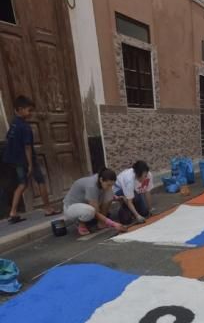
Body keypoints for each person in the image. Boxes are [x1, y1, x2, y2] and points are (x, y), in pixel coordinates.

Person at [2, 95, 59, 223]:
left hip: (14, 160)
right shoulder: (25, 127)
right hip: (26, 159)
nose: (31, 113)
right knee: (40, 180)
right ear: (20, 109)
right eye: (29, 110)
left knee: (22, 184)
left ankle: (13, 212)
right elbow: (27, 147)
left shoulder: (13, 124)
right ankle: (48, 208)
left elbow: (8, 141)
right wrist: (30, 164)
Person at [63, 168, 125, 236]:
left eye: (112, 185)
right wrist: (113, 224)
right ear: (101, 180)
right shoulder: (91, 186)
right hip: (71, 207)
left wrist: (115, 197)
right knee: (90, 211)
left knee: (109, 195)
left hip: (85, 204)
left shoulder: (101, 179)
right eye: (108, 185)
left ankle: (101, 223)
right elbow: (95, 212)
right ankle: (81, 224)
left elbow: (105, 195)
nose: (110, 187)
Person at [114, 160, 154, 224]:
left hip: (135, 193)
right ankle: (125, 208)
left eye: (146, 175)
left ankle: (133, 209)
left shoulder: (148, 175)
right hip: (119, 190)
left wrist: (150, 208)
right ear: (137, 175)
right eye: (144, 176)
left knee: (145, 213)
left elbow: (147, 192)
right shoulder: (129, 180)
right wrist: (137, 216)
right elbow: (129, 201)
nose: (145, 178)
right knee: (126, 220)